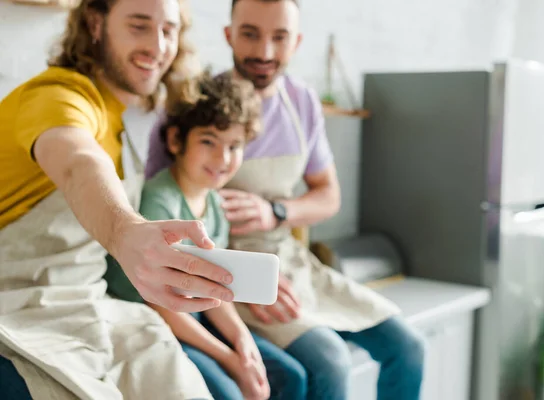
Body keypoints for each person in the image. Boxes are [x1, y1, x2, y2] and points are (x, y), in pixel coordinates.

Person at [145, 0, 426, 399]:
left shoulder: (303, 103)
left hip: (292, 262)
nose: (264, 52)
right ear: (229, 35)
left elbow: (328, 197)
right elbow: (165, 212)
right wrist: (250, 281)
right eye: (250, 34)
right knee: (329, 360)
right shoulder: (198, 105)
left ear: (296, 42)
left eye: (279, 37)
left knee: (408, 348)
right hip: (230, 271)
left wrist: (276, 212)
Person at [0, 0, 235, 398]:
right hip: (17, 309)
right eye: (139, 26)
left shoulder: (118, 120)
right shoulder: (56, 97)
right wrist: (126, 231)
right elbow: (78, 163)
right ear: (95, 22)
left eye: (169, 30)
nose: (158, 47)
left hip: (92, 302)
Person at [104, 72, 307, 400]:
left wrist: (242, 340)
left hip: (195, 316)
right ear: (175, 141)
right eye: (208, 141)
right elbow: (164, 308)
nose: (222, 159)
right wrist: (229, 359)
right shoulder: (161, 200)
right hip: (153, 321)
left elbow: (218, 287)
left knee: (290, 377)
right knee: (229, 392)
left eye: (234, 146)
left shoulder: (214, 202)